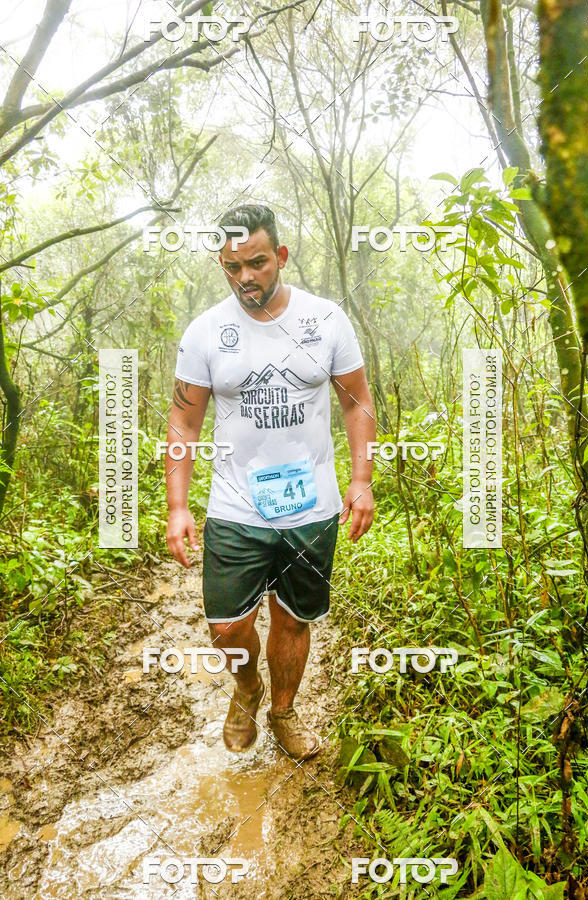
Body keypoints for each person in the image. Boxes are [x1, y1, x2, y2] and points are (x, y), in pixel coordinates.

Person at [165, 204, 375, 761]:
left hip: (310, 508)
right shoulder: (206, 332)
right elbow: (184, 421)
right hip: (236, 505)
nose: (246, 277)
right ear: (222, 265)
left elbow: (357, 401)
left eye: (257, 262)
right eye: (233, 267)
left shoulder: (325, 321)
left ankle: (282, 710)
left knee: (293, 617)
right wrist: (177, 506)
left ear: (280, 256)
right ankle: (246, 687)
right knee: (226, 626)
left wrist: (361, 479)